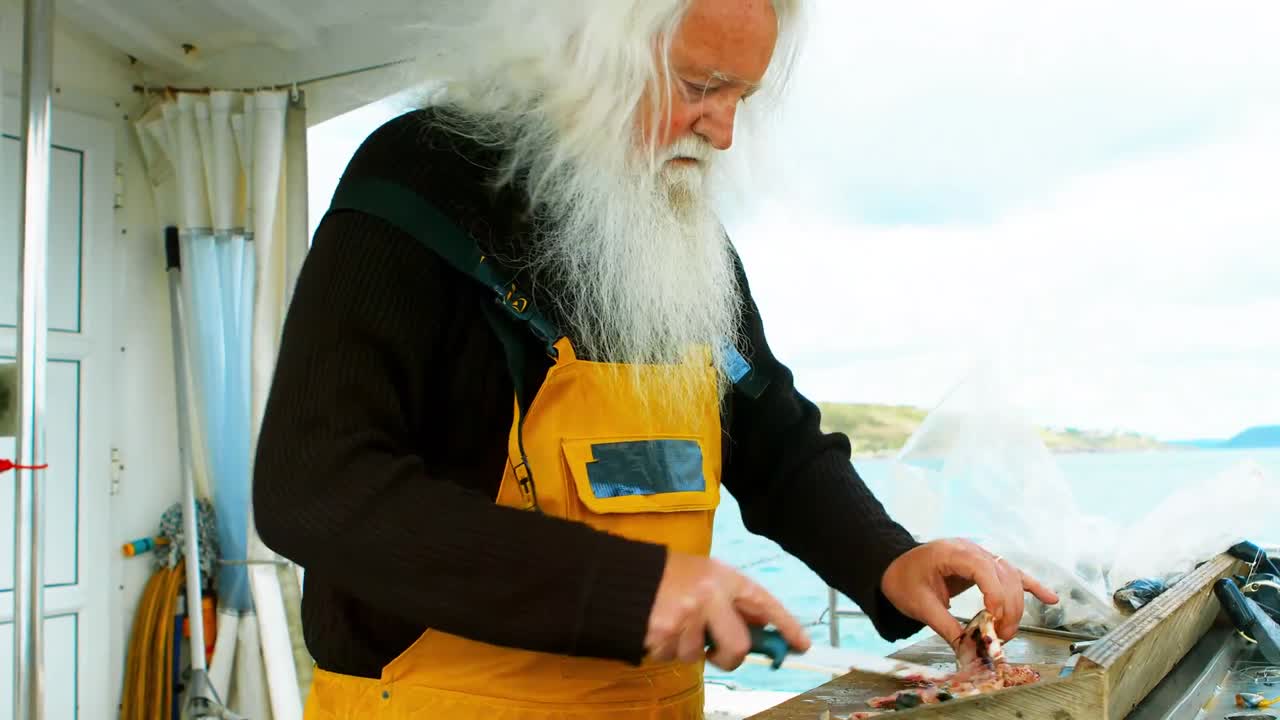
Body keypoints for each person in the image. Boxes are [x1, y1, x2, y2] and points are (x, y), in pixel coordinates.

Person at [253, 1, 1058, 717]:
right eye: (699, 86)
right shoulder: (419, 182)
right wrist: (628, 588)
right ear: (584, 51)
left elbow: (775, 442)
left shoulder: (677, 225)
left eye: (742, 95)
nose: (724, 131)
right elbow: (312, 487)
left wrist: (889, 559)